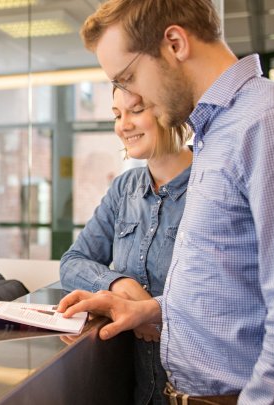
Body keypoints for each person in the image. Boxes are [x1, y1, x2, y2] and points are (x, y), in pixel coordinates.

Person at [58, 0, 274, 403]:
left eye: (129, 78)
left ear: (175, 43)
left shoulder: (273, 121)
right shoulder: (217, 134)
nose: (130, 99)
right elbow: (231, 292)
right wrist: (157, 311)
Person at [60, 87, 192, 405]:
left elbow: (224, 291)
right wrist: (121, 284)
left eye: (136, 110)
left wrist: (152, 311)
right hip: (140, 388)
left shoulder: (210, 184)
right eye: (117, 115)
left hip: (194, 389)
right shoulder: (125, 189)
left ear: (172, 109)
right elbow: (72, 261)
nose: (123, 125)